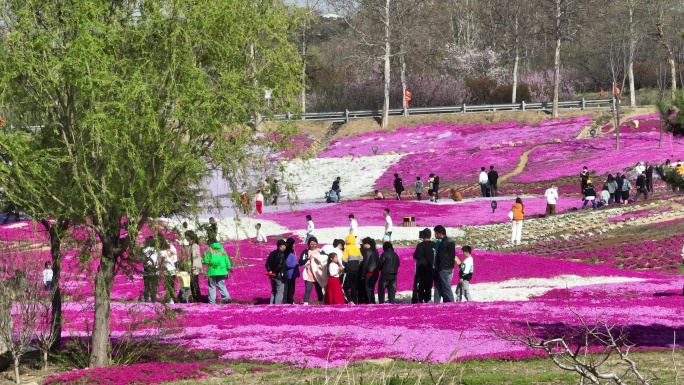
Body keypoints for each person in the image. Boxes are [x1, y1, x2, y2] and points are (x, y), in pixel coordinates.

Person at [433, 225, 455, 303]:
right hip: (449, 267)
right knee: (438, 286)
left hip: (443, 268)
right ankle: (436, 302)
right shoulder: (451, 241)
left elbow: (441, 257)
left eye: (435, 233)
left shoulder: (443, 243)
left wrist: (439, 268)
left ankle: (452, 303)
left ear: (440, 233)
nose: (435, 235)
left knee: (446, 287)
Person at [412, 228, 435, 303]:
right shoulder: (434, 244)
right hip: (431, 269)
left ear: (423, 235)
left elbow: (415, 256)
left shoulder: (420, 245)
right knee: (428, 286)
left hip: (421, 269)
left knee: (420, 286)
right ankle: (427, 299)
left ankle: (419, 300)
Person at [300, 237, 324, 305]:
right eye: (311, 244)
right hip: (309, 274)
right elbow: (301, 261)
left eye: (314, 244)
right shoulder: (306, 252)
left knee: (319, 290)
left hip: (318, 274)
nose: (313, 246)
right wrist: (308, 259)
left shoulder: (320, 251)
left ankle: (321, 303)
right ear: (308, 244)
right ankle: (305, 303)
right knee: (308, 290)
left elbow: (325, 258)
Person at [341, 234, 363, 304]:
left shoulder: (347, 248)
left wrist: (346, 266)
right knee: (354, 288)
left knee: (345, 287)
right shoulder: (357, 248)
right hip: (356, 271)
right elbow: (361, 259)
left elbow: (344, 260)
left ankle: (350, 300)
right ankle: (355, 302)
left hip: (349, 270)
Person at [266, 239, 287, 304]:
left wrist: (270, 271)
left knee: (273, 292)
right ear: (281, 246)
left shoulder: (271, 253)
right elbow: (280, 265)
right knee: (279, 292)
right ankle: (277, 307)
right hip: (279, 276)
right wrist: (275, 272)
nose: (285, 247)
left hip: (272, 276)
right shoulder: (282, 254)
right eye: (285, 245)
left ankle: (271, 305)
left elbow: (267, 264)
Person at [360, 237, 380, 304]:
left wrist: (362, 275)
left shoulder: (368, 251)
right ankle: (372, 302)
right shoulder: (375, 251)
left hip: (369, 273)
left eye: (363, 244)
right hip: (376, 272)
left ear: (367, 244)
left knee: (368, 289)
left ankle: (370, 303)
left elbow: (366, 263)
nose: (363, 246)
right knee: (371, 289)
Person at [159, 236, 178, 304]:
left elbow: (162, 260)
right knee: (171, 284)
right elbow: (175, 259)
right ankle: (171, 298)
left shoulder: (161, 251)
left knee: (168, 285)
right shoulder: (172, 247)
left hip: (167, 270)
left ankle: (170, 299)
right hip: (172, 269)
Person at [185, 231, 202, 302]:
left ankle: (197, 299)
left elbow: (195, 258)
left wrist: (193, 268)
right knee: (192, 285)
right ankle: (195, 299)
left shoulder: (194, 246)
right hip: (191, 268)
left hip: (193, 269)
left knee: (194, 285)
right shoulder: (191, 246)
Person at [142, 236, 159, 303]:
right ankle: (153, 300)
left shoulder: (144, 250)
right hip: (155, 271)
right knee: (154, 286)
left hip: (146, 271)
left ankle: (146, 299)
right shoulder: (156, 250)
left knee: (146, 286)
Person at [284, 238, 300, 305]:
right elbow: (288, 264)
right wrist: (297, 263)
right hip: (290, 274)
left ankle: (290, 301)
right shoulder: (288, 253)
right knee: (291, 289)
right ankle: (290, 302)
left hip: (293, 275)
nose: (294, 245)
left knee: (292, 289)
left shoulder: (292, 252)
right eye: (293, 244)